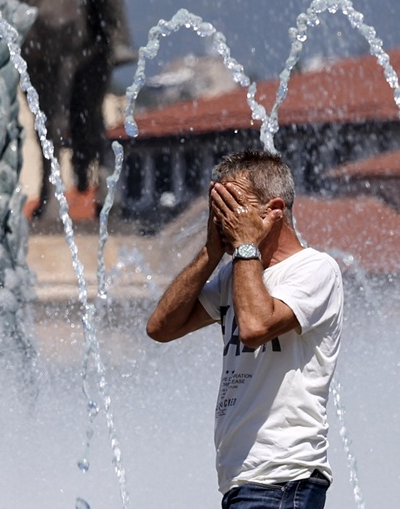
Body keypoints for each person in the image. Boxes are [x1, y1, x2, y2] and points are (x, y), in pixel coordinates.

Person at [146, 149, 344, 509]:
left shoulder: (316, 270)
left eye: (233, 207)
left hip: (284, 477)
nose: (223, 220)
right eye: (218, 208)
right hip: (244, 478)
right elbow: (161, 327)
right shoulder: (235, 273)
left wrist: (245, 246)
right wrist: (209, 252)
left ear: (273, 211)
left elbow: (255, 327)